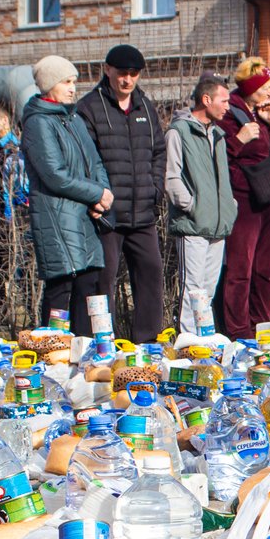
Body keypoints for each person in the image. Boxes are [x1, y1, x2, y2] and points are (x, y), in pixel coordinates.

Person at [76, 44, 169, 342]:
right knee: (103, 281)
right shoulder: (90, 107)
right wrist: (95, 196)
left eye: (133, 74)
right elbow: (84, 159)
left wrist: (155, 189)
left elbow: (158, 152)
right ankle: (101, 344)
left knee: (152, 274)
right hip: (106, 215)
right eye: (122, 73)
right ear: (107, 70)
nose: (127, 80)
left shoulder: (145, 106)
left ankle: (149, 343)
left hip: (143, 211)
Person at [19, 55, 111, 333]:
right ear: (49, 85)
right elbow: (54, 175)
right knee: (62, 288)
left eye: (74, 82)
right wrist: (96, 193)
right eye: (66, 82)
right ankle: (54, 350)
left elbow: (95, 162)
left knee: (88, 286)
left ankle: (82, 351)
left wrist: (103, 195)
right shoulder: (38, 123)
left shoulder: (73, 119)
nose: (73, 88)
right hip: (56, 218)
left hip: (84, 216)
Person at [222, 67, 270, 337]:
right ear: (250, 87)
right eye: (265, 86)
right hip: (246, 200)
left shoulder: (269, 110)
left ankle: (261, 326)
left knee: (268, 270)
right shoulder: (229, 112)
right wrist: (240, 138)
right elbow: (220, 156)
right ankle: (239, 332)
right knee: (241, 268)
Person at [164, 73, 237, 334]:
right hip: (193, 224)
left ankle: (203, 339)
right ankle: (188, 342)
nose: (228, 106)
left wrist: (229, 206)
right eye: (224, 100)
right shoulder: (178, 131)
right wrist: (192, 206)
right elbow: (172, 178)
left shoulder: (218, 135)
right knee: (191, 287)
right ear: (206, 99)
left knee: (208, 287)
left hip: (218, 224)